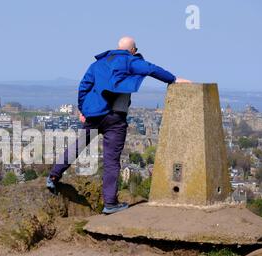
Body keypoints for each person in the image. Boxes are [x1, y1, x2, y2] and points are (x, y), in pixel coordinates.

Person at [46, 36, 191, 214]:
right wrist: (173, 79)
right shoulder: (129, 60)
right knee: (111, 161)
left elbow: (84, 86)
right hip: (115, 118)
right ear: (132, 50)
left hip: (94, 114)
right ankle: (110, 203)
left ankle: (53, 176)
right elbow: (151, 69)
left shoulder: (97, 64)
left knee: (78, 146)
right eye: (136, 49)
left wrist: (83, 109)